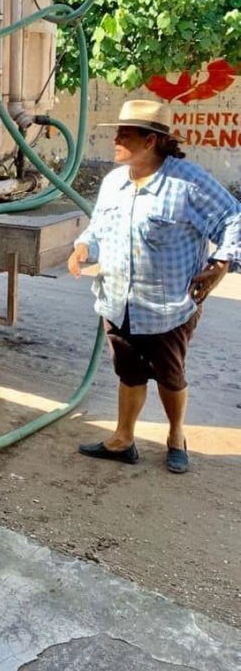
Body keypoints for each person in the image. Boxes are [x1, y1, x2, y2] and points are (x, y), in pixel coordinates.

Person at [68, 99, 240, 473]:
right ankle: (123, 439)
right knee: (127, 373)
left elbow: (234, 216)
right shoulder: (114, 182)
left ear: (150, 141)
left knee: (170, 376)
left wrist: (222, 263)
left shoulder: (187, 182)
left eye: (124, 135)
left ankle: (176, 437)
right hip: (117, 300)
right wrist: (83, 246)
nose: (115, 139)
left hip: (168, 306)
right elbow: (98, 229)